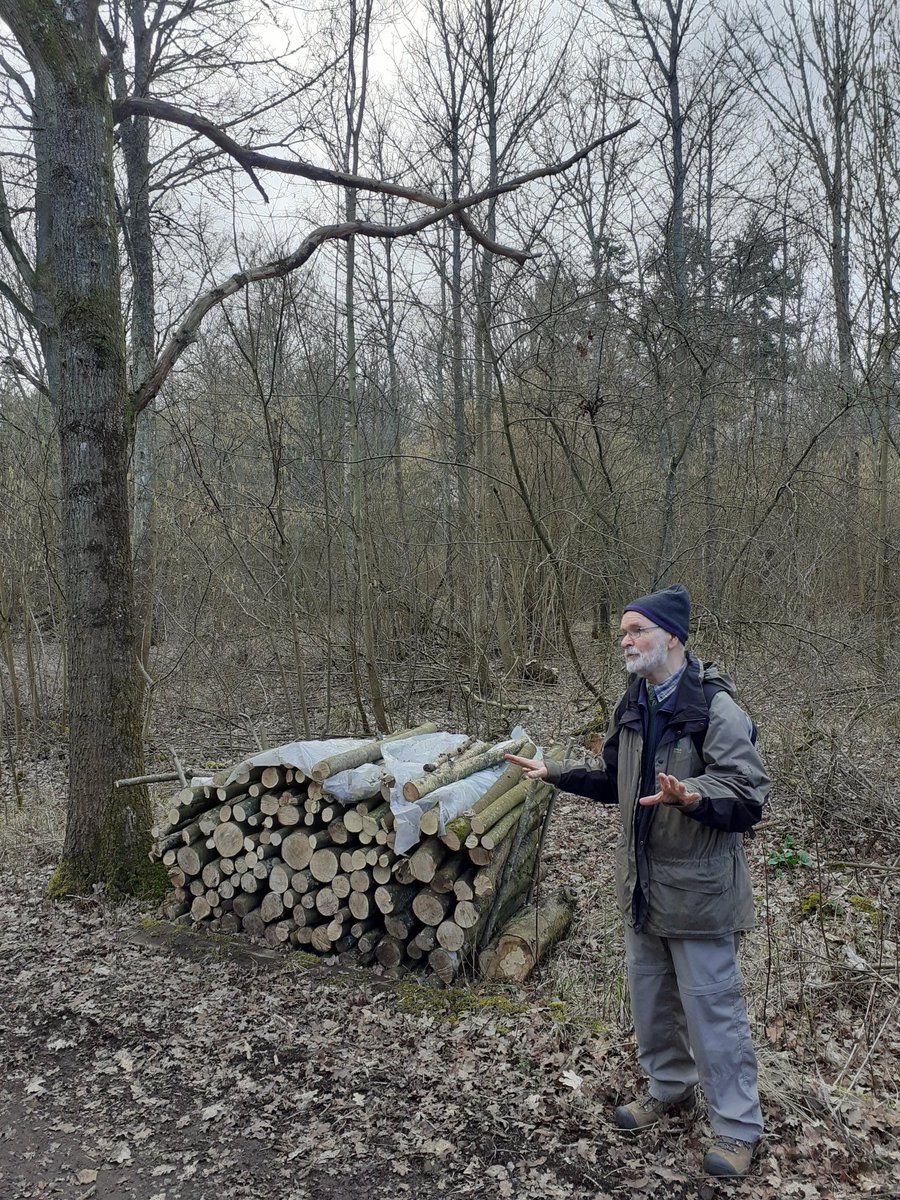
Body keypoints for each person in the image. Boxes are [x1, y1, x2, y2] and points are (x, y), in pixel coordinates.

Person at [506, 584, 767, 1179]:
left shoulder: (714, 709)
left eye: (637, 631)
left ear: (672, 636)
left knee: (714, 1015)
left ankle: (736, 1128)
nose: (625, 641)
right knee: (652, 1006)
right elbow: (616, 783)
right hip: (643, 890)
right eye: (623, 632)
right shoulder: (633, 704)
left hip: (699, 893)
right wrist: (557, 774)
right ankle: (670, 1087)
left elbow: (749, 796)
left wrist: (695, 795)